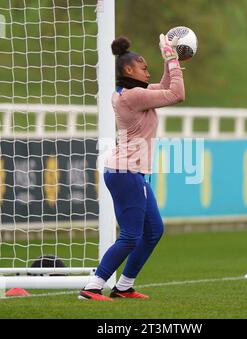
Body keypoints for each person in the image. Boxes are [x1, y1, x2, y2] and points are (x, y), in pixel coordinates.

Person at [78, 34, 185, 301]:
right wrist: (172, 60)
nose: (147, 71)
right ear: (128, 69)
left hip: (129, 173)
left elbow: (164, 86)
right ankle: (93, 286)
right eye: (143, 67)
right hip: (125, 172)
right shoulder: (133, 96)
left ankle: (124, 286)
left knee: (153, 231)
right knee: (130, 236)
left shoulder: (133, 93)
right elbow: (177, 94)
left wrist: (170, 61)